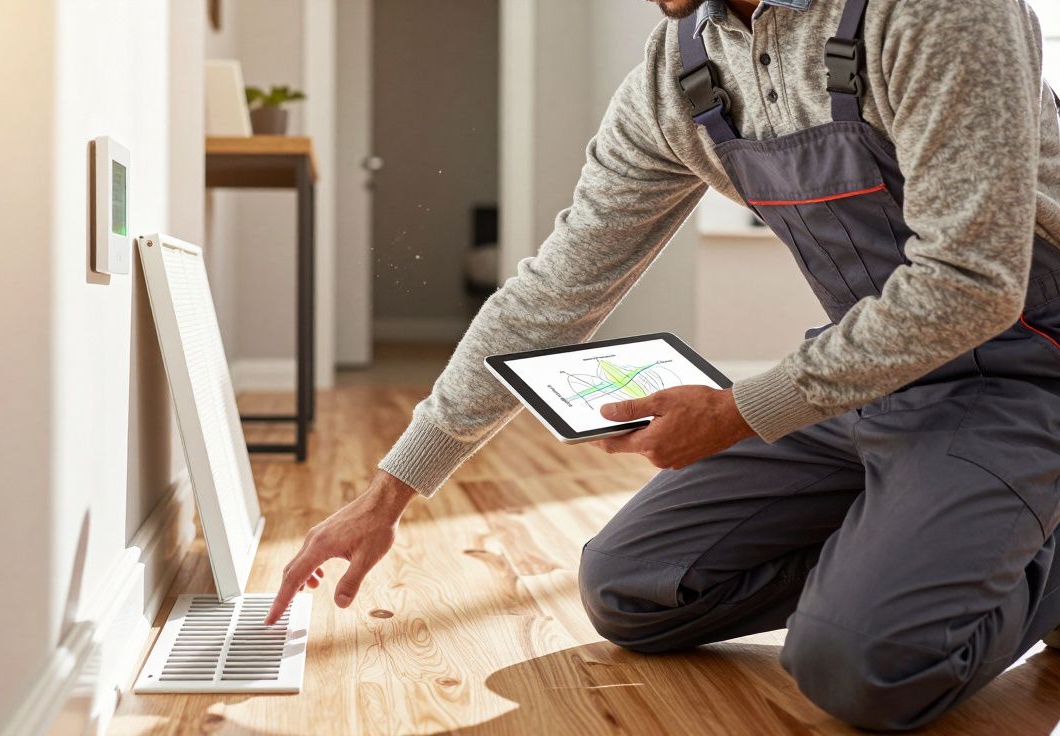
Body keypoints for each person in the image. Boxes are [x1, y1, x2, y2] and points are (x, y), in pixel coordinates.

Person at [266, 0, 1060, 728]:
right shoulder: (682, 70)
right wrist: (390, 491)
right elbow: (555, 290)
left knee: (864, 668)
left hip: (1026, 376)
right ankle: (920, 542)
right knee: (632, 588)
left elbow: (971, 282)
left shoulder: (937, 11)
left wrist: (741, 411)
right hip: (869, 381)